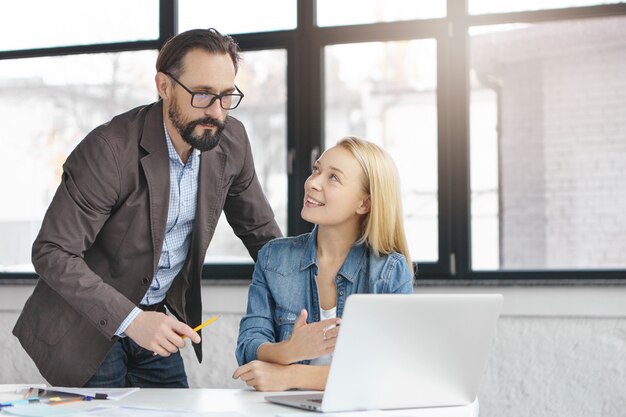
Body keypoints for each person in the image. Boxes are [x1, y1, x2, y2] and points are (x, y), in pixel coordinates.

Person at [12, 28, 282, 388]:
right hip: (85, 326)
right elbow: (52, 252)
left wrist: (305, 293)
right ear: (164, 85)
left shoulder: (231, 141)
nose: (216, 112)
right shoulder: (109, 149)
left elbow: (261, 234)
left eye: (226, 96)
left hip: (154, 318)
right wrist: (132, 320)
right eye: (202, 95)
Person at [233, 136, 414, 391]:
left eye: (333, 178)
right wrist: (288, 351)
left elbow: (389, 370)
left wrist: (291, 375)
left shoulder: (389, 272)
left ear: (364, 203)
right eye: (316, 170)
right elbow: (248, 347)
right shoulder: (274, 257)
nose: (312, 183)